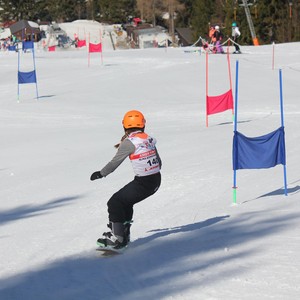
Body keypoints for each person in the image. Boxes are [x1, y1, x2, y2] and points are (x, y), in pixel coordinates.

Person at [90, 110, 162, 250]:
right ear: (143, 125)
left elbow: (114, 163)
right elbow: (159, 162)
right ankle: (123, 234)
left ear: (125, 126)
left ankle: (117, 238)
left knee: (115, 202)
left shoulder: (129, 142)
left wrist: (100, 173)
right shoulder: (148, 139)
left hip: (144, 183)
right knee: (125, 202)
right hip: (155, 180)